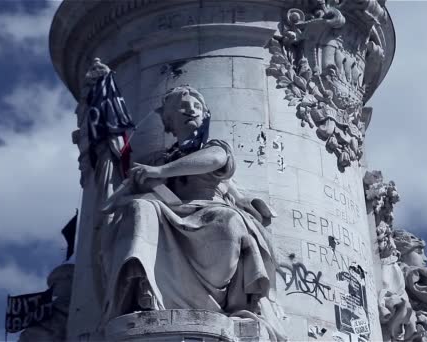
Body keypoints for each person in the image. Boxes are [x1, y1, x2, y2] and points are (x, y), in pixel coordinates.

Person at [98, 86, 286, 340]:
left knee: (229, 220)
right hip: (172, 212)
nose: (190, 111)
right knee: (139, 207)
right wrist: (128, 186)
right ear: (169, 120)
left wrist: (160, 173)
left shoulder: (212, 148)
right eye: (182, 107)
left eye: (196, 107)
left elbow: (216, 160)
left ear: (205, 114)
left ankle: (215, 302)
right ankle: (145, 287)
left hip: (211, 211)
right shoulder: (163, 159)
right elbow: (119, 199)